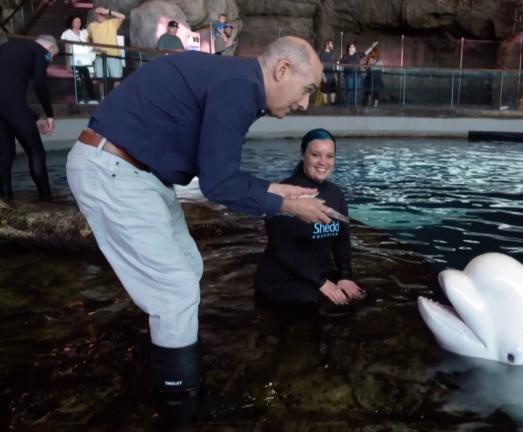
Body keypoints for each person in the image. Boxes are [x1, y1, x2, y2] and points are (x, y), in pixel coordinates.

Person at [65, 36, 329, 425]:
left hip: (140, 174)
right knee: (175, 293)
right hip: (113, 169)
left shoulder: (235, 80)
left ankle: (180, 373)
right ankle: (179, 411)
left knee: (189, 266)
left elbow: (216, 172)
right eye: (307, 90)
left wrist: (276, 190)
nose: (305, 104)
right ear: (282, 70)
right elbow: (218, 185)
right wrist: (291, 206)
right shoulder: (241, 87)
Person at [254, 128, 365, 307]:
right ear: (302, 155)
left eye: (329, 156)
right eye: (316, 155)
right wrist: (321, 282)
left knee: (360, 296)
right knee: (316, 304)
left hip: (318, 274)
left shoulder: (336, 194)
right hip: (283, 278)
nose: (323, 162)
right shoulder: (285, 191)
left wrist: (345, 276)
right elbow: (282, 249)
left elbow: (342, 240)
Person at [0, 35, 58, 202]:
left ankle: (5, 199)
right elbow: (39, 84)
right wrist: (50, 114)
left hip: (4, 106)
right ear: (51, 49)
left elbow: (7, 92)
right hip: (12, 105)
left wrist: (34, 117)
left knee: (5, 153)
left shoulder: (6, 48)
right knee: (36, 151)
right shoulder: (43, 52)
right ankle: (46, 199)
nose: (49, 61)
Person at [87, 6, 125, 93]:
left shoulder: (111, 22)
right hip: (99, 56)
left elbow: (123, 16)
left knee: (117, 78)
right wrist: (93, 46)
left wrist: (108, 11)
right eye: (98, 14)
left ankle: (116, 99)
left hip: (113, 54)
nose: (100, 15)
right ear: (95, 15)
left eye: (102, 14)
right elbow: (87, 38)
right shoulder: (91, 26)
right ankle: (103, 98)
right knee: (101, 79)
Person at [61, 15, 98, 104]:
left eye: (79, 21)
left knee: (88, 79)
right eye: (76, 21)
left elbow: (89, 43)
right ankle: (80, 99)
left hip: (85, 59)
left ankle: (92, 98)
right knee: (78, 80)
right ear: (72, 22)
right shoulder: (67, 33)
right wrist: (67, 63)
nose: (78, 23)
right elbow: (66, 49)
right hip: (75, 60)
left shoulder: (84, 32)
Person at [339, 41, 378, 107]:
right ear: (349, 48)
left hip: (357, 75)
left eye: (354, 47)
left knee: (356, 90)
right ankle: (347, 105)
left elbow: (365, 53)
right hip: (349, 75)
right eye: (353, 47)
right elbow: (341, 64)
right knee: (350, 89)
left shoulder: (357, 55)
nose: (354, 48)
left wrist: (372, 46)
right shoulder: (345, 56)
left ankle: (355, 104)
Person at [318, 39, 337, 106]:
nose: (332, 45)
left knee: (333, 91)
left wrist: (335, 75)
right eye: (331, 44)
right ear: (327, 45)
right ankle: (326, 105)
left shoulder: (332, 54)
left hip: (332, 75)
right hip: (326, 75)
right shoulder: (322, 54)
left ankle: (332, 104)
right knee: (325, 91)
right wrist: (323, 76)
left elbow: (334, 65)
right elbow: (321, 66)